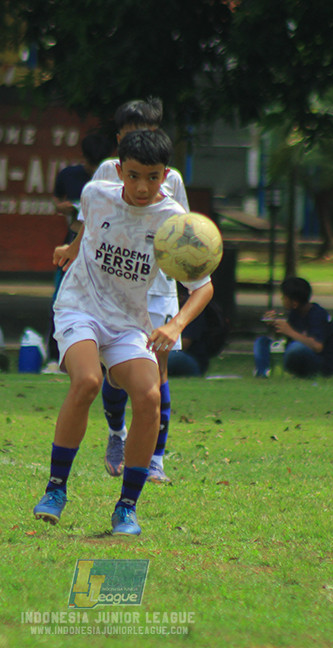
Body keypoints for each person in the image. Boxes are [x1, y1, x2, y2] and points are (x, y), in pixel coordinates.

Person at [32, 129, 214, 536]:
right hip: (80, 306)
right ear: (119, 170)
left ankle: (127, 507)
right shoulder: (96, 193)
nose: (142, 186)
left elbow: (204, 288)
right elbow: (89, 229)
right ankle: (56, 489)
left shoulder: (173, 222)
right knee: (87, 382)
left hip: (129, 321)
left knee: (149, 397)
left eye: (152, 177)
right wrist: (72, 247)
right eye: (133, 175)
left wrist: (175, 323)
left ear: (165, 175)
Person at [84, 98, 188, 484]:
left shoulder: (171, 179)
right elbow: (89, 225)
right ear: (120, 139)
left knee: (158, 374)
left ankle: (156, 457)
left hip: (158, 289)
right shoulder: (105, 175)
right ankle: (116, 432)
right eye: (133, 135)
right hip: (112, 288)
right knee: (114, 370)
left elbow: (184, 234)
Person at [47, 133, 114, 365]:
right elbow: (55, 200)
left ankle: (102, 356)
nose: (95, 169)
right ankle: (55, 356)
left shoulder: (115, 178)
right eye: (91, 163)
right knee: (61, 296)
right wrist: (62, 207)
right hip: (74, 238)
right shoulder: (69, 175)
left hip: (104, 243)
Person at [254, 277, 333, 379]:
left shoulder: (317, 315)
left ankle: (304, 373)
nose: (282, 300)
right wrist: (275, 325)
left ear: (294, 303)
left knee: (296, 348)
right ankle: (262, 372)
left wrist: (289, 331)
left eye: (284, 297)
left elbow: (317, 346)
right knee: (262, 342)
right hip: (300, 353)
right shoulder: (295, 313)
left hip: (322, 362)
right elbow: (290, 338)